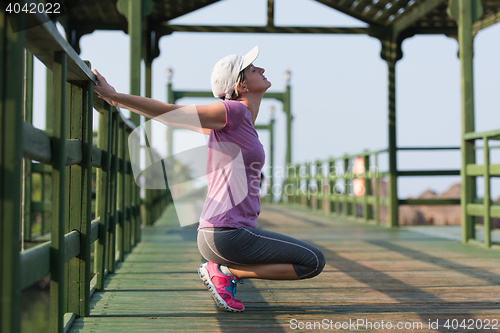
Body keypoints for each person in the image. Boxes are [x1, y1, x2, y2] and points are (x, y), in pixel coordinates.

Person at [92, 46, 326, 313]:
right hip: (226, 233)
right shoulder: (232, 112)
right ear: (240, 85)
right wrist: (115, 97)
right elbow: (173, 114)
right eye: (252, 69)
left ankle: (225, 271)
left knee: (311, 260)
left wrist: (118, 100)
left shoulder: (240, 121)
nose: (261, 69)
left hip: (223, 233)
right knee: (313, 261)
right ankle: (227, 273)